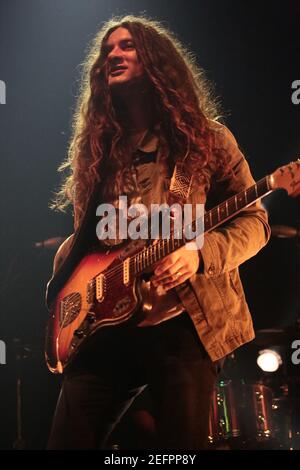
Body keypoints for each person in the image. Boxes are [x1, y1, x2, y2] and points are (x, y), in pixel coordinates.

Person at [46, 15, 270, 450]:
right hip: (106, 329)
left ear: (156, 62)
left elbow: (256, 223)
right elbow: (84, 249)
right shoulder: (98, 153)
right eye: (108, 49)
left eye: (127, 46)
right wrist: (67, 295)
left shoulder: (205, 141)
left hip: (184, 325)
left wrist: (199, 255)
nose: (113, 54)